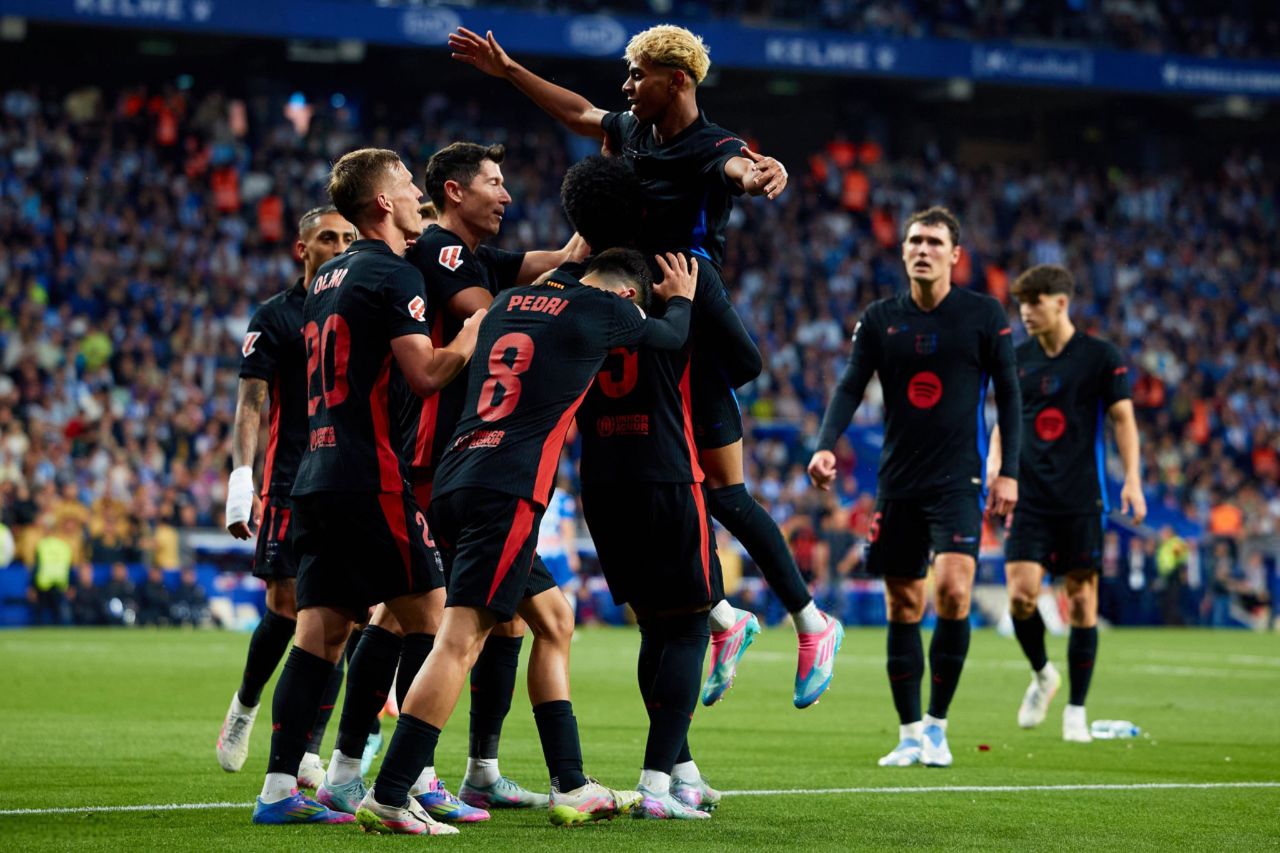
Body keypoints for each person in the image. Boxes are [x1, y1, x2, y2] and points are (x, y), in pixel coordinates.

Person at [450, 24, 842, 709]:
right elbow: (579, 112)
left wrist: (761, 173)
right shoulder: (633, 129)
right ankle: (722, 619)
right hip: (640, 321)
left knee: (720, 490)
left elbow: (739, 168)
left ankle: (808, 623)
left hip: (689, 315)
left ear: (676, 80)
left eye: (638, 75)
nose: (627, 86)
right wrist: (510, 69)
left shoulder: (710, 145)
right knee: (659, 483)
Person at [356, 248, 697, 834]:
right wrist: (683, 299)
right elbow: (670, 336)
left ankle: (572, 784)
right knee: (459, 641)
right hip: (508, 490)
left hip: (457, 478)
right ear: (626, 295)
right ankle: (389, 794)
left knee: (554, 620)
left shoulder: (509, 302)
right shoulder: (606, 308)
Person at [250, 147, 483, 830]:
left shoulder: (325, 277)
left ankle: (279, 789)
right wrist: (472, 333)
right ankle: (402, 787)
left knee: (321, 634)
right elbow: (426, 374)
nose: (417, 194)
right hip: (370, 476)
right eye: (408, 184)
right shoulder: (395, 272)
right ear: (383, 201)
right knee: (439, 625)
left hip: (315, 475)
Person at [379, 141, 583, 815]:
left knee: (519, 620)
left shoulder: (477, 256)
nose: (506, 195)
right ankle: (396, 774)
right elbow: (495, 317)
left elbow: (561, 257)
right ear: (455, 191)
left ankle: (477, 771)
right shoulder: (441, 251)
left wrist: (604, 198)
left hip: (465, 462)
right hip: (444, 460)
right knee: (428, 618)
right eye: (494, 183)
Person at [565, 159, 765, 820]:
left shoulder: (568, 294)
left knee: (656, 627)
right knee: (685, 629)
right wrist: (685, 306)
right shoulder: (669, 286)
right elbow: (745, 362)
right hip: (667, 475)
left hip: (602, 482)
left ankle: (679, 771)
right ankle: (655, 786)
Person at [808, 206, 1021, 768]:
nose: (923, 249)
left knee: (952, 590)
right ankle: (907, 733)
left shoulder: (983, 314)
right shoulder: (881, 319)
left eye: (934, 242)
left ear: (955, 255)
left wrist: (1009, 471)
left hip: (959, 479)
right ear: (903, 251)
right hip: (899, 481)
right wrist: (826, 443)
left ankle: (937, 727)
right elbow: (851, 384)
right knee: (903, 602)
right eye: (915, 241)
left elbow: (1010, 395)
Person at [217, 206, 357, 785]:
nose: (340, 246)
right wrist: (240, 479)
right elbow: (251, 403)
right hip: (290, 479)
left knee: (339, 620)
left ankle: (306, 754)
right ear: (303, 248)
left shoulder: (363, 305)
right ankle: (245, 705)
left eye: (349, 237)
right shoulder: (276, 316)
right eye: (328, 238)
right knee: (284, 607)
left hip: (348, 478)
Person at [992, 264, 1145, 743]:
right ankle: (1043, 675)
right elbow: (1004, 422)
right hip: (1030, 496)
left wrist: (1133, 480)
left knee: (1081, 601)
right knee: (1021, 596)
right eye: (1021, 304)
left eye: (1033, 303)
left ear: (1061, 303)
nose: (1025, 312)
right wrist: (997, 466)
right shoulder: (1016, 359)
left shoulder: (1100, 357)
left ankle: (1076, 710)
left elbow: (1123, 419)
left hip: (1081, 497)